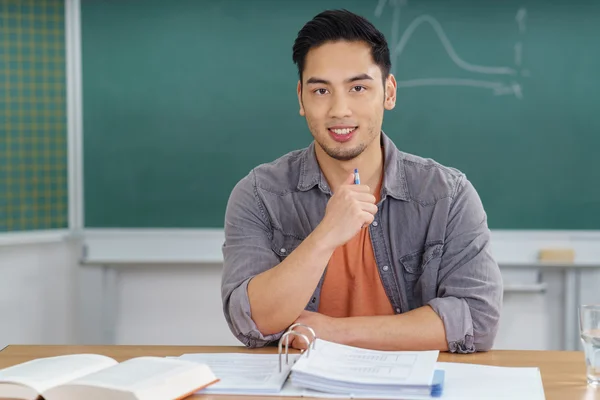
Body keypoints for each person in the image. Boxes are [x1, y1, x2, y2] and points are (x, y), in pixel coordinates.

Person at [220, 9, 502, 353]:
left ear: (389, 92)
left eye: (358, 87)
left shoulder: (448, 196)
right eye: (321, 91)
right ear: (301, 99)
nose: (340, 109)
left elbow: (477, 320)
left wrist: (334, 332)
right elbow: (250, 321)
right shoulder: (259, 195)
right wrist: (326, 235)